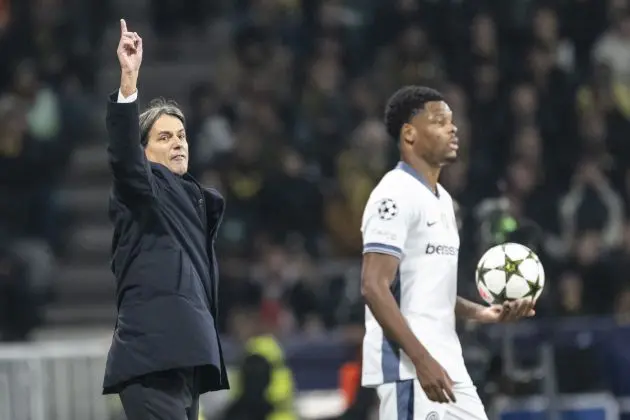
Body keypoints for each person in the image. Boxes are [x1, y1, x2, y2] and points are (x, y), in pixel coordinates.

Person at [360, 86, 536, 419]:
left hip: (447, 365)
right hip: (411, 370)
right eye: (439, 122)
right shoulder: (394, 195)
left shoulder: (443, 201)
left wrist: (484, 314)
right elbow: (374, 286)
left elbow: (427, 292)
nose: (452, 129)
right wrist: (421, 361)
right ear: (409, 135)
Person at [102, 19, 228, 419]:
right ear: (145, 152)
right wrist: (129, 80)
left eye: (182, 135)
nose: (178, 143)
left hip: (186, 356)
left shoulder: (190, 198)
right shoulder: (142, 187)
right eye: (164, 137)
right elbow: (123, 157)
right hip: (153, 356)